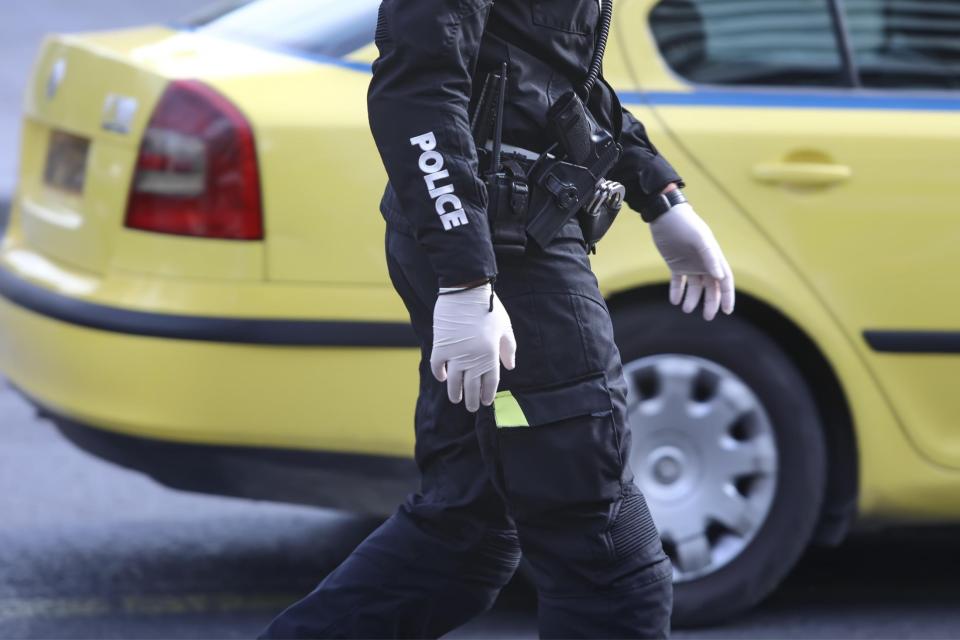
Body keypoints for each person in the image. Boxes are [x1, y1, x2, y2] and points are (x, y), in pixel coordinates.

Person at [261, 0, 734, 638]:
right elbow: (418, 88)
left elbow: (549, 70)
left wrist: (659, 192)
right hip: (505, 255)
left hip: (507, 243)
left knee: (464, 537)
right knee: (607, 562)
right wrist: (466, 279)